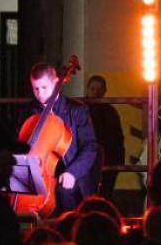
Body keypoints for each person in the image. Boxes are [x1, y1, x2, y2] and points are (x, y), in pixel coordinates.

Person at [22, 62, 100, 214]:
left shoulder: (76, 110)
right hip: (39, 172)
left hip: (70, 172)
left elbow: (90, 147)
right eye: (35, 88)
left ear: (56, 83)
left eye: (44, 87)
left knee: (64, 191)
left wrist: (72, 172)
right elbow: (19, 145)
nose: (40, 94)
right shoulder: (29, 111)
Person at [84, 75, 125, 196]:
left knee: (105, 193)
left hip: (107, 159)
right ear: (87, 89)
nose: (95, 92)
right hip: (87, 159)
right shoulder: (81, 110)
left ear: (104, 91)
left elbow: (117, 137)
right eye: (93, 89)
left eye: (99, 89)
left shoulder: (110, 112)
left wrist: (119, 159)